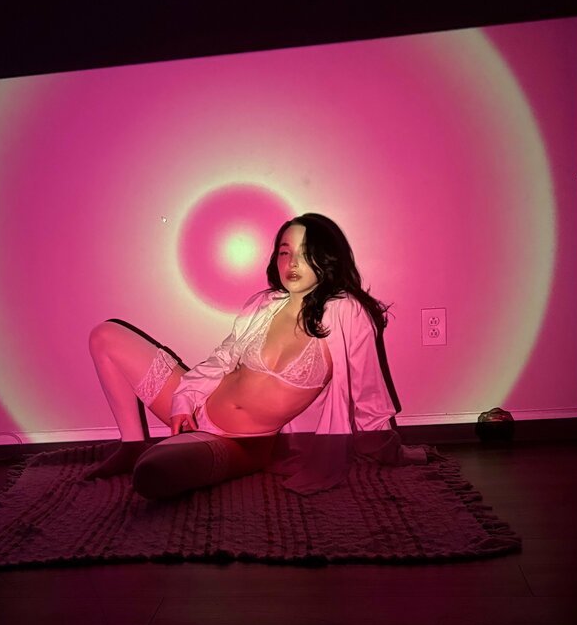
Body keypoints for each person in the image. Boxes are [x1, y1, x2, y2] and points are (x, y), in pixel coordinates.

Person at [86, 213, 426, 498]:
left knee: (151, 476)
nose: (292, 263)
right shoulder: (264, 303)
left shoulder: (345, 312)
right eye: (284, 252)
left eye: (305, 253)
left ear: (326, 258)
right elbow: (222, 359)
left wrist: (391, 449)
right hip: (199, 407)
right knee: (105, 335)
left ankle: (159, 454)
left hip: (241, 443)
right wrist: (184, 399)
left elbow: (367, 390)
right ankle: (132, 443)